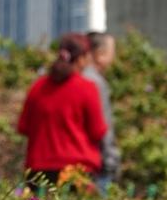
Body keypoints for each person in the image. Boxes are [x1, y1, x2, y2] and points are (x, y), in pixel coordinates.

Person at [17, 33, 108, 190]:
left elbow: (23, 127)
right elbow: (98, 131)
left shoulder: (38, 87)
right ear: (81, 59)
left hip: (38, 173)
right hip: (77, 172)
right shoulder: (87, 88)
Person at [84, 31, 121, 190]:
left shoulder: (72, 78)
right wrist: (112, 161)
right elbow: (103, 127)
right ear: (100, 54)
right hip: (94, 164)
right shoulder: (95, 83)